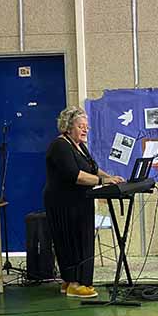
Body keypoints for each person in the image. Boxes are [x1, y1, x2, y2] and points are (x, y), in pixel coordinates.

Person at [44, 108, 124, 299]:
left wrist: (111, 178)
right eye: (81, 126)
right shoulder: (60, 146)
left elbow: (93, 169)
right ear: (68, 127)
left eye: (86, 127)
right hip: (63, 202)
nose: (85, 130)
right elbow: (76, 175)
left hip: (79, 201)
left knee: (80, 239)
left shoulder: (79, 146)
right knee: (71, 241)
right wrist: (104, 181)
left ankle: (70, 281)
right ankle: (75, 283)